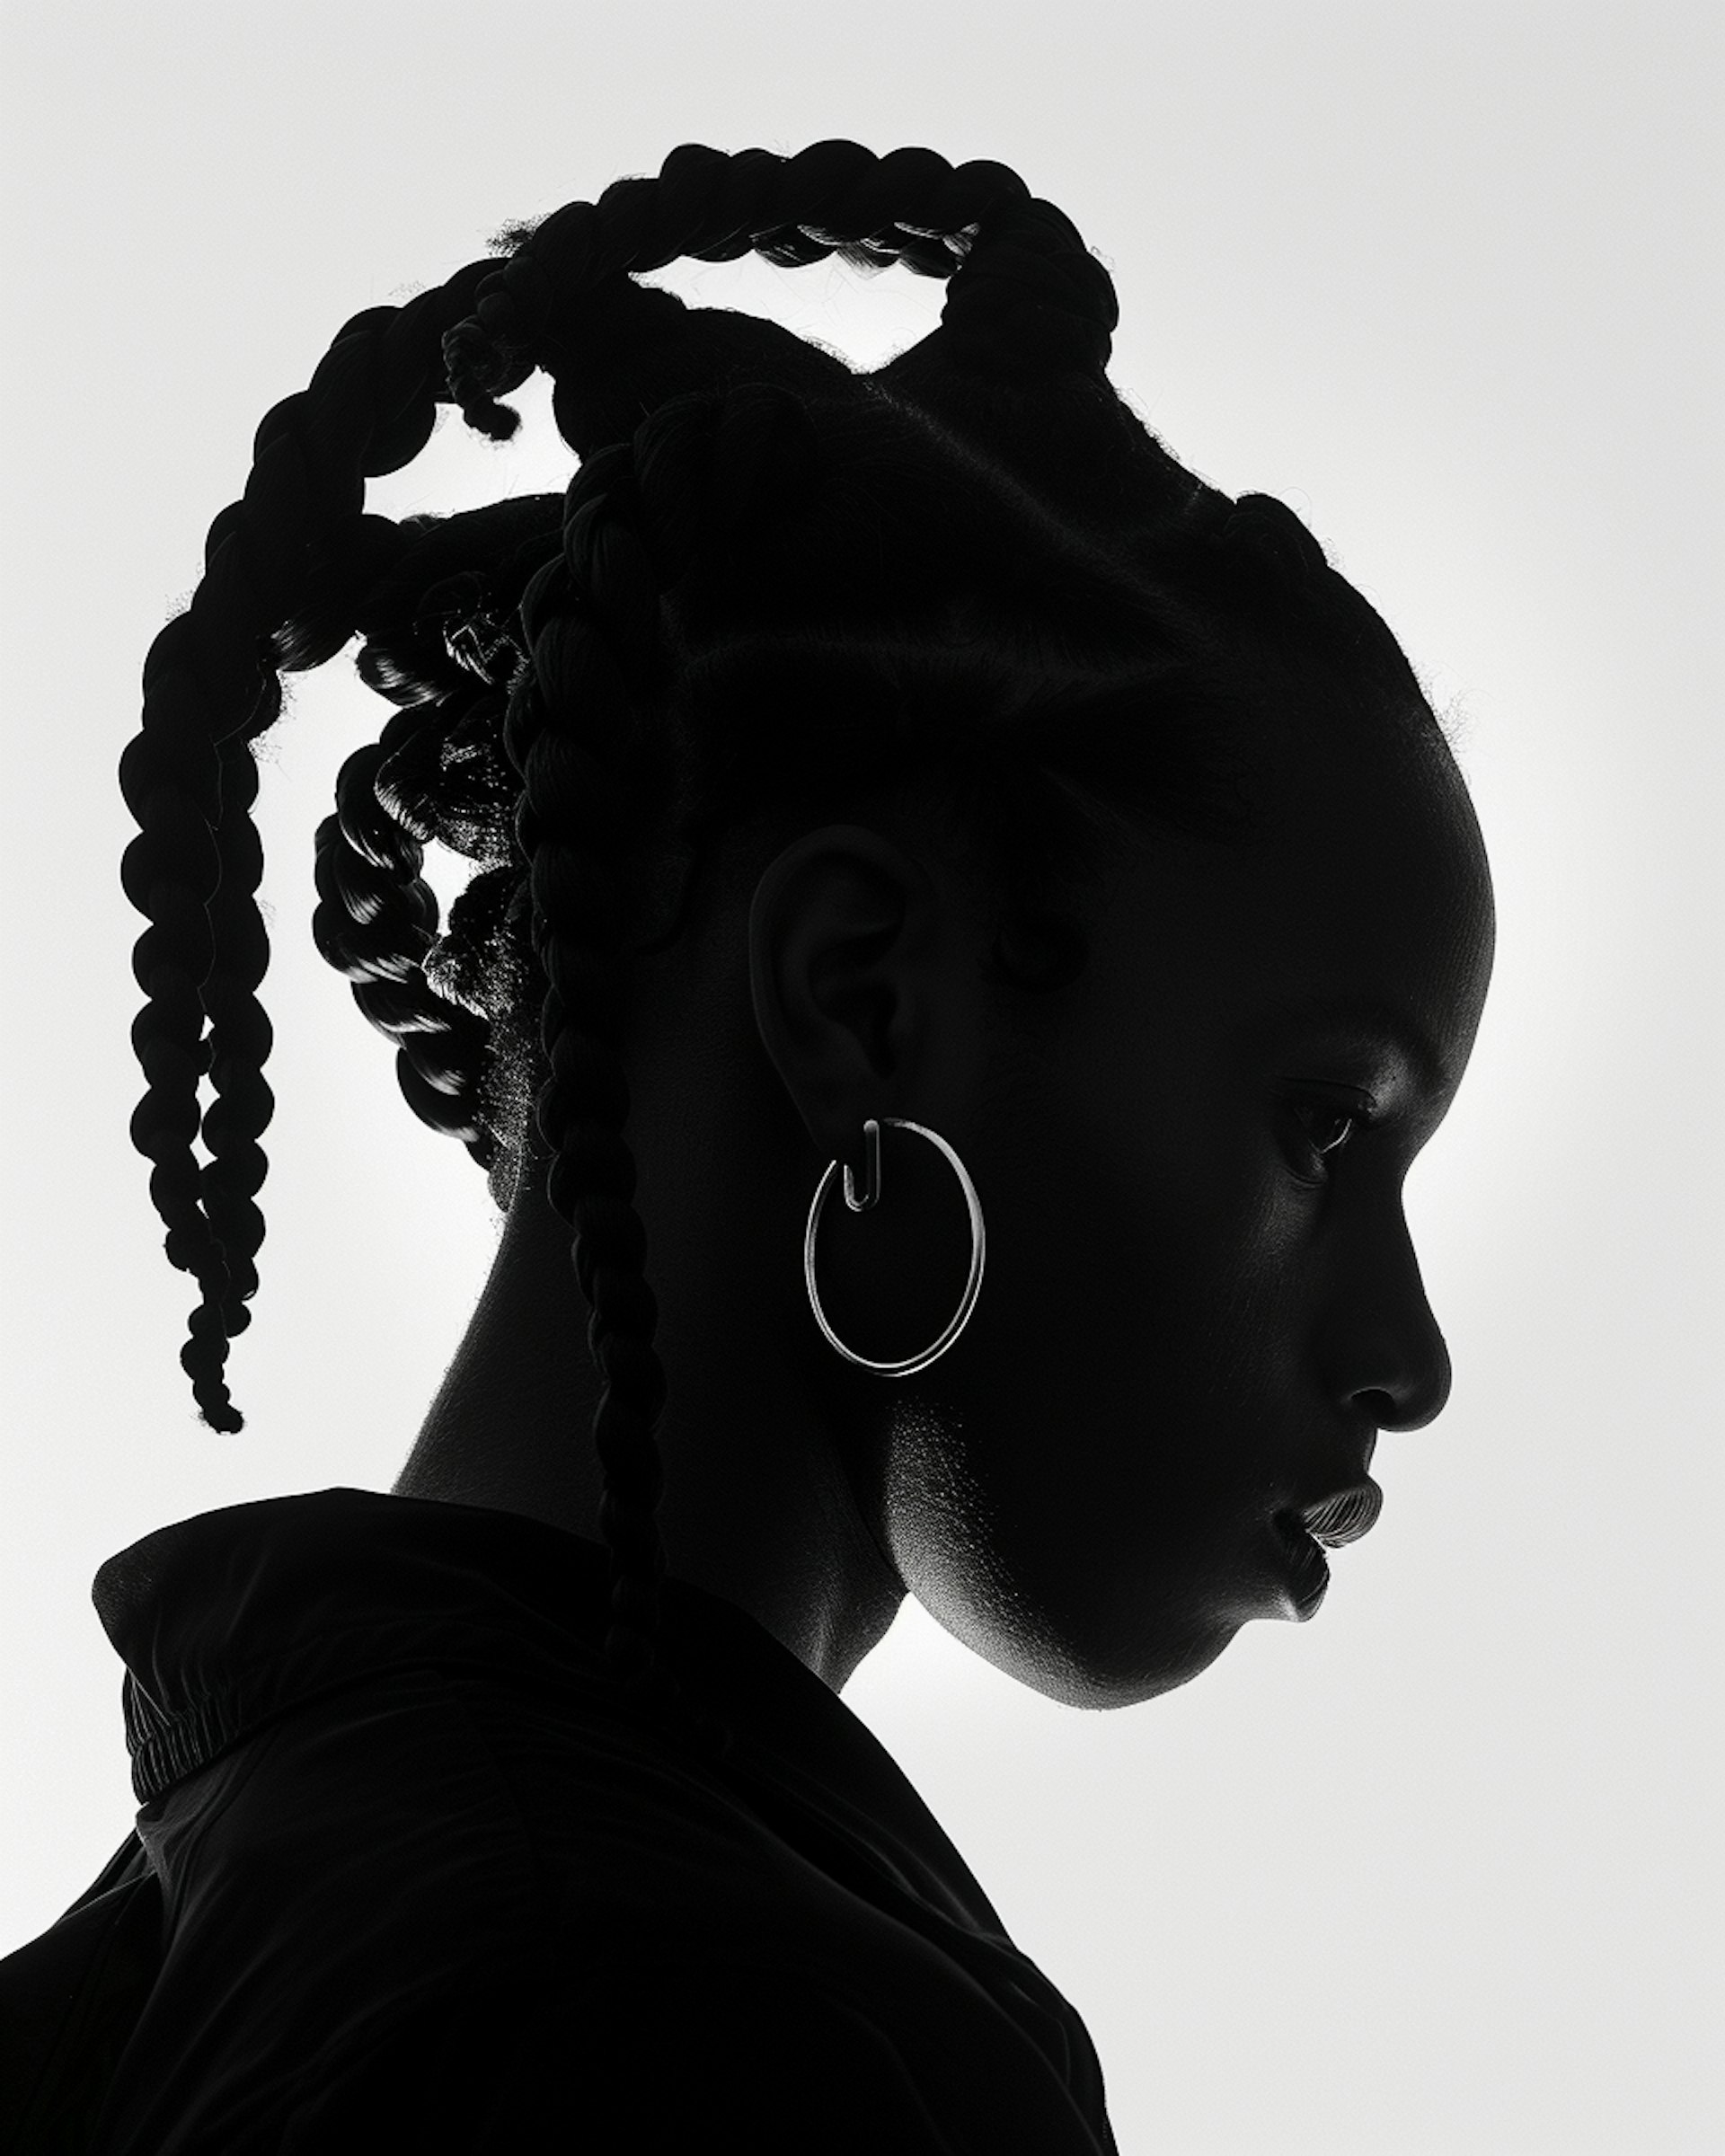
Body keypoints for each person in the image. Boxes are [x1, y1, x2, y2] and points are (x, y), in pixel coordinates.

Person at [0, 139, 1494, 2151]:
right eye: (1327, 1123)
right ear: (861, 996)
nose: (1408, 1355)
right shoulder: (708, 2035)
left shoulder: (193, 1948)